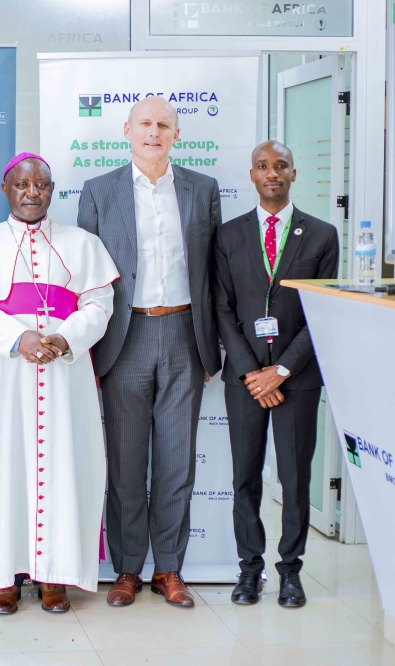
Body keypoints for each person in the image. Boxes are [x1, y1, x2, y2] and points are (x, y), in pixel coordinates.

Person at [77, 97, 223, 608]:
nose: (154, 133)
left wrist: (213, 347)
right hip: (124, 337)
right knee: (126, 463)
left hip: (186, 333)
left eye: (164, 125)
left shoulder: (202, 190)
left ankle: (170, 569)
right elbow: (88, 278)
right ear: (127, 130)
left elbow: (213, 274)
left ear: (176, 134)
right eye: (145, 124)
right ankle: (126, 569)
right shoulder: (99, 193)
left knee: (177, 463)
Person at [0, 153, 119, 614]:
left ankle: (56, 576)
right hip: (4, 374)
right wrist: (19, 338)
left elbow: (100, 304)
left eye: (42, 186)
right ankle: (4, 578)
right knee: (1, 469)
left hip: (65, 373)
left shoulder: (83, 242)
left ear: (52, 190)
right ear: (6, 188)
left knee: (66, 466)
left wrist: (64, 337)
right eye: (23, 185)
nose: (33, 193)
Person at [213, 141, 339, 608]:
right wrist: (253, 373)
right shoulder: (228, 236)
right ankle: (249, 571)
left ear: (293, 173)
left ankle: (291, 572)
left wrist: (281, 371)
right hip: (245, 381)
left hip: (298, 380)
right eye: (263, 167)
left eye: (280, 165)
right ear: (251, 175)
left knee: (293, 477)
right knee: (245, 477)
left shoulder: (322, 235)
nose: (272, 174)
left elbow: (320, 313)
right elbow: (222, 309)